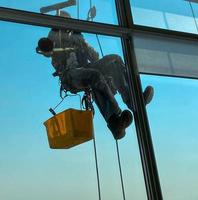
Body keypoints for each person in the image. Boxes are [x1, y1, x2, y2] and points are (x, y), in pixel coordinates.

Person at [36, 12, 153, 140]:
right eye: (63, 22)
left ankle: (133, 100)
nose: (66, 26)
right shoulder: (55, 39)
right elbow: (47, 50)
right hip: (69, 75)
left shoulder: (76, 39)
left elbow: (94, 57)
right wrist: (51, 36)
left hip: (85, 69)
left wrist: (82, 44)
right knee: (94, 75)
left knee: (114, 60)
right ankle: (114, 121)